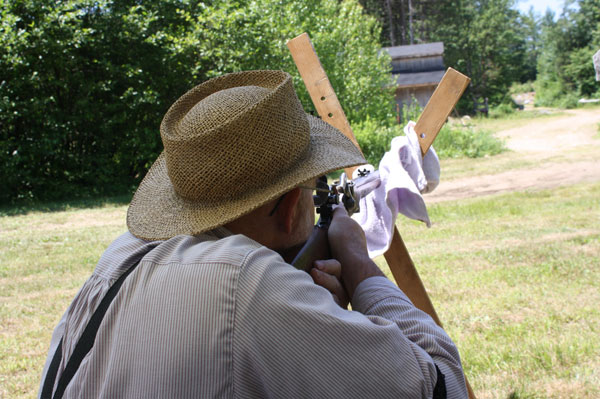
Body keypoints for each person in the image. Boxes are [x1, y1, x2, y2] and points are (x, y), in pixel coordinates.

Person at [39, 70, 467, 398]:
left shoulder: (123, 252)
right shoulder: (250, 283)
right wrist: (359, 266)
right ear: (287, 208)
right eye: (314, 190)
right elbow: (441, 382)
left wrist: (320, 312)